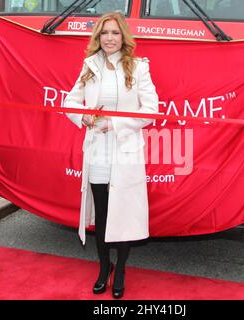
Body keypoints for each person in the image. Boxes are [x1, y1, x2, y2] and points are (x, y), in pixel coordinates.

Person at [63, 12, 159, 299]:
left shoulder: (139, 67)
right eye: (104, 33)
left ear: (123, 37)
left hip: (125, 151)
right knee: (103, 217)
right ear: (98, 37)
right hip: (97, 153)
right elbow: (70, 102)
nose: (109, 38)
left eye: (115, 33)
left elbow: (151, 110)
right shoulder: (89, 66)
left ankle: (122, 270)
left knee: (123, 216)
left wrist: (113, 123)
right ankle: (104, 268)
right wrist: (85, 119)